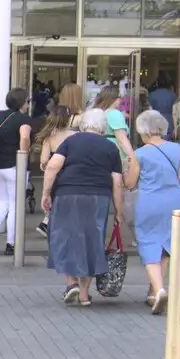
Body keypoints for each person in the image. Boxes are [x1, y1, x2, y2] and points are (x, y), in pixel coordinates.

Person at [41, 109, 124, 306]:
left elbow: (52, 166)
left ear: (84, 124)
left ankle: (71, 284)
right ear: (103, 127)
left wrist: (45, 192)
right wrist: (119, 211)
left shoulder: (71, 141)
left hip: (68, 194)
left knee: (64, 236)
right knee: (92, 241)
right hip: (98, 197)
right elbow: (117, 182)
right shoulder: (111, 147)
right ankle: (85, 294)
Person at [124, 110, 180, 314]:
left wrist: (126, 171)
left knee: (147, 243)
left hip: (149, 201)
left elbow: (130, 184)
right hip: (173, 200)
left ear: (142, 130)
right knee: (165, 244)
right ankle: (153, 292)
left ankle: (159, 289)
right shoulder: (176, 148)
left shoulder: (139, 154)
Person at [0, 89, 33, 255]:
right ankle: (11, 244)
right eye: (27, 101)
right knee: (15, 205)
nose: (28, 104)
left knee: (3, 201)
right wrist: (24, 154)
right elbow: (25, 137)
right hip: (15, 166)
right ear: (22, 102)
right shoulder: (23, 119)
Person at [34, 105, 76, 238]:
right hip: (72, 173)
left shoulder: (49, 137)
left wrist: (45, 166)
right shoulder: (75, 135)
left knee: (53, 198)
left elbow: (44, 161)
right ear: (68, 119)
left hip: (56, 175)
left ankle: (48, 221)